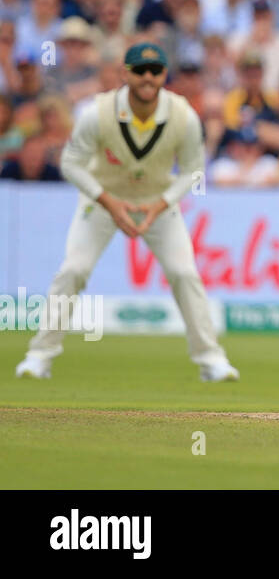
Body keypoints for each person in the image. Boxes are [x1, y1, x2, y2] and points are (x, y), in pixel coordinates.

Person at [15, 44, 240, 383]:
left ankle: (211, 359)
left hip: (157, 202)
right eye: (140, 70)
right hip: (103, 200)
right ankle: (39, 356)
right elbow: (71, 164)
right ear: (125, 74)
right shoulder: (97, 112)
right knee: (74, 270)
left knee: (184, 273)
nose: (147, 77)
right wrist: (110, 202)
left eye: (155, 70)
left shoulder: (183, 116)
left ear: (165, 75)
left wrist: (158, 206)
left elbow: (195, 171)